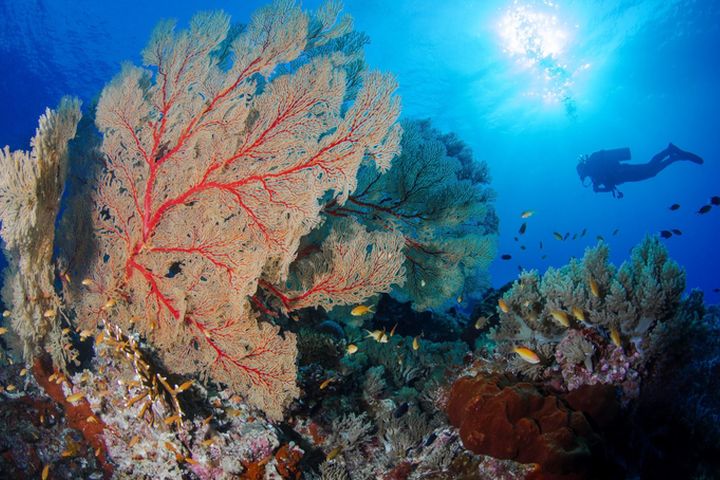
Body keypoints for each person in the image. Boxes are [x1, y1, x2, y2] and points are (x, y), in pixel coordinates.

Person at [577, 144, 703, 198]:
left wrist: (599, 190)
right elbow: (610, 186)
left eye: (582, 174)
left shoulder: (594, 171)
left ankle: (669, 151)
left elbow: (609, 186)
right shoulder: (595, 174)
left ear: (583, 170)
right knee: (651, 172)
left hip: (624, 172)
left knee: (649, 167)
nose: (584, 177)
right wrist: (599, 189)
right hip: (624, 175)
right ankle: (674, 157)